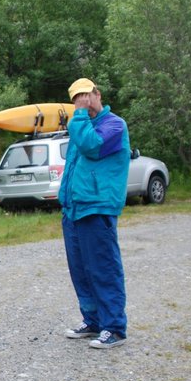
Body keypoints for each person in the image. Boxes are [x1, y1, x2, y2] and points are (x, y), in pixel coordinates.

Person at [59, 78, 131, 349]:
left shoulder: (114, 125)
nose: (83, 102)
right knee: (81, 270)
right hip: (75, 208)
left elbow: (91, 146)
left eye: (86, 96)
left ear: (97, 94)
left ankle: (114, 327)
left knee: (103, 268)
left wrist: (78, 115)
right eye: (77, 98)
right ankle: (92, 321)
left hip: (97, 206)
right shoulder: (82, 126)